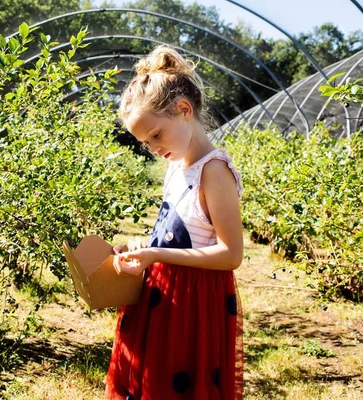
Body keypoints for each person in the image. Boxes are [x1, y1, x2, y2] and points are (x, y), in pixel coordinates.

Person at [105, 44, 245, 400]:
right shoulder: (176, 166)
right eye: (144, 142)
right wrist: (142, 249)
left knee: (180, 383)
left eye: (155, 135)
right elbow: (173, 231)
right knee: (151, 379)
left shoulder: (214, 172)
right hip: (161, 295)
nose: (152, 147)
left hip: (193, 303)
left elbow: (231, 255)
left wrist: (158, 256)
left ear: (183, 110)